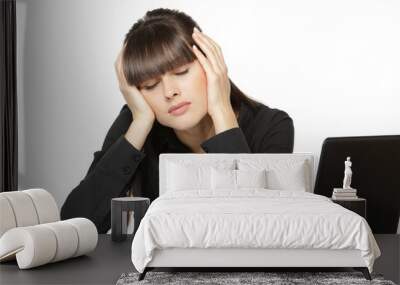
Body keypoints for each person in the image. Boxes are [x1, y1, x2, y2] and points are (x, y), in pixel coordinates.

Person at [60, 8, 295, 234]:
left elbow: (260, 226)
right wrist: (140, 123)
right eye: (150, 85)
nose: (169, 92)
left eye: (181, 72)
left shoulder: (271, 126)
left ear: (210, 64)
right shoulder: (136, 124)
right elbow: (76, 223)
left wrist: (221, 109)